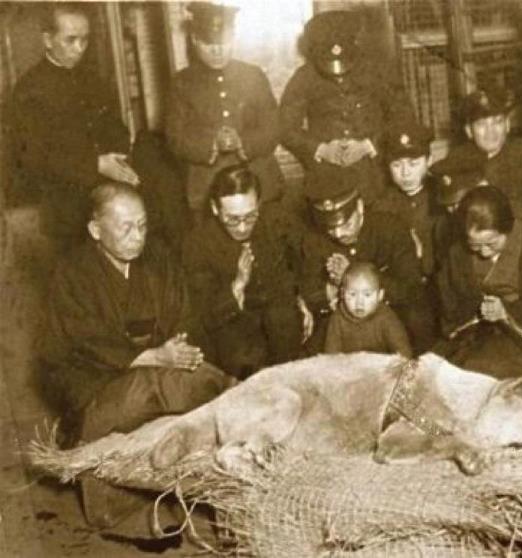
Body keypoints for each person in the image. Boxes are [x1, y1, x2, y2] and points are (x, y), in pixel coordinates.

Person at [40, 183, 232, 528]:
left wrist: (177, 348)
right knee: (153, 385)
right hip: (97, 387)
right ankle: (120, 513)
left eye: (142, 225)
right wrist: (152, 356)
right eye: (125, 227)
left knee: (199, 383)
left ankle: (237, 413)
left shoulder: (158, 259)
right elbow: (81, 341)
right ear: (95, 230)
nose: (137, 237)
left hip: (160, 370)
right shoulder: (71, 273)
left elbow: (183, 314)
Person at [9, 3, 138, 249]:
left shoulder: (93, 79)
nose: (79, 49)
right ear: (48, 40)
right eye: (71, 40)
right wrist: (96, 164)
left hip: (108, 190)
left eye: (85, 40)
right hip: (62, 206)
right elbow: (33, 158)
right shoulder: (29, 91)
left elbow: (116, 128)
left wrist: (118, 156)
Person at [182, 165, 310, 379]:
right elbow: (203, 314)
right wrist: (238, 284)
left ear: (259, 204)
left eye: (250, 216)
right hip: (233, 329)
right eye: (232, 219)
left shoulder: (276, 220)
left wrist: (302, 297)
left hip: (279, 320)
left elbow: (305, 257)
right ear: (215, 208)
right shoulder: (197, 245)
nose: (242, 227)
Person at [279, 9, 414, 205]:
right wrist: (321, 149)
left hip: (377, 174)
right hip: (328, 176)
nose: (338, 71)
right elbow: (285, 127)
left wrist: (370, 144)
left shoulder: (377, 71)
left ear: (354, 46)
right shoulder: (304, 77)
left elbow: (404, 115)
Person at [166, 2, 285, 215]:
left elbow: (274, 128)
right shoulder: (182, 83)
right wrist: (211, 144)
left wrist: (243, 143)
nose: (218, 50)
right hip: (206, 187)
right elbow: (175, 138)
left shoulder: (253, 76)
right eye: (208, 43)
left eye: (225, 41)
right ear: (194, 40)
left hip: (261, 182)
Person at [298, 164, 430, 355]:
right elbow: (309, 290)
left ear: (359, 206)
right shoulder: (314, 240)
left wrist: (352, 275)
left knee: (418, 325)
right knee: (312, 357)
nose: (338, 233)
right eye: (330, 227)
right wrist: (333, 290)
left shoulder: (390, 229)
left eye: (346, 224)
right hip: (343, 323)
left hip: (390, 319)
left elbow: (410, 289)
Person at [435, 187, 522, 380]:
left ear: (507, 228)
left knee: (497, 372)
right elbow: (448, 299)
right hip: (471, 332)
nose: (483, 252)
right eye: (474, 245)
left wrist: (505, 312)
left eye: (491, 243)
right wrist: (476, 312)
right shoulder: (457, 251)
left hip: (519, 336)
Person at [436, 83, 522, 224]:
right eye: (482, 124)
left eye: (497, 122)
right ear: (469, 131)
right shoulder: (457, 158)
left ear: (507, 125)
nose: (491, 132)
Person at [375, 117, 441, 279]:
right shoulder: (381, 207)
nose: (405, 173)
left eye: (413, 164)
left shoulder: (442, 198)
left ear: (429, 161)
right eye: (396, 165)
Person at [325, 262, 412, 358]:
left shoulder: (387, 317)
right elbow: (331, 357)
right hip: (349, 370)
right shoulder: (337, 318)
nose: (359, 303)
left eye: (367, 295)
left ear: (380, 295)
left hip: (381, 369)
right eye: (352, 294)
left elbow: (403, 353)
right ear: (342, 293)